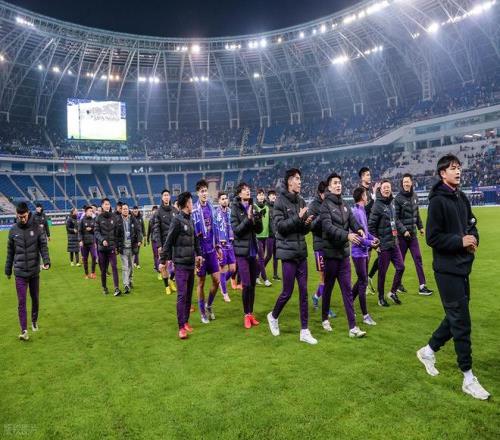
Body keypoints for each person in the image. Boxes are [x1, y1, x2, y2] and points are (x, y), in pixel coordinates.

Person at [417, 154, 490, 400]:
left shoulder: (461, 197)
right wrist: (460, 241)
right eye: (453, 168)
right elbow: (432, 237)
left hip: (462, 267)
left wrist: (473, 238)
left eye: (459, 167)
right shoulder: (437, 202)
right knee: (461, 322)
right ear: (442, 173)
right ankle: (468, 378)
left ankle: (428, 351)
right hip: (446, 270)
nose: (458, 171)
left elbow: (471, 224)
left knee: (455, 316)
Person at [267, 168, 317, 345]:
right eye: (297, 178)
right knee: (287, 292)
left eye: (300, 178)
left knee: (304, 292)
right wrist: (298, 217)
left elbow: (302, 230)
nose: (300, 181)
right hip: (288, 254)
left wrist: (307, 224)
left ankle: (304, 330)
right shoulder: (279, 202)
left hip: (301, 253)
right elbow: (280, 228)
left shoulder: (301, 200)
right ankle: (273, 316)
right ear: (289, 181)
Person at [320, 173, 366, 338]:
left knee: (347, 290)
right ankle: (324, 318)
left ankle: (353, 328)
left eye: (339, 182)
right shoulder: (325, 205)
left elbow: (352, 221)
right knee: (328, 288)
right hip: (331, 255)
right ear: (329, 186)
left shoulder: (345, 204)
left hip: (344, 255)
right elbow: (328, 227)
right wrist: (347, 235)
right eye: (335, 183)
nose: (338, 185)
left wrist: (359, 229)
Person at [159, 192, 202, 339]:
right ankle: (180, 327)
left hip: (190, 263)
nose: (192, 204)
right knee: (182, 295)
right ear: (186, 204)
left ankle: (186, 322)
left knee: (189, 295)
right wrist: (162, 261)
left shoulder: (190, 220)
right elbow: (168, 241)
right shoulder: (177, 220)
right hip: (180, 264)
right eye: (190, 202)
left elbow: (195, 240)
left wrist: (199, 254)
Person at [5, 202, 50, 341]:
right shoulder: (13, 230)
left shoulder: (37, 227)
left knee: (35, 298)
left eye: (24, 216)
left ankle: (34, 321)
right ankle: (24, 330)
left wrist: (46, 261)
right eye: (20, 217)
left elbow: (43, 246)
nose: (22, 219)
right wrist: (8, 269)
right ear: (16, 215)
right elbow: (10, 252)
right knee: (21, 301)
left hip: (34, 271)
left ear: (28, 213)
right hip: (19, 272)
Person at [368, 180, 407, 307]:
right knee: (382, 273)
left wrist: (404, 230)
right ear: (380, 190)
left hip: (394, 243)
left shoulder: (392, 203)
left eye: (388, 187)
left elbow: (395, 220)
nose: (386, 189)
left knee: (401, 267)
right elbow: (371, 227)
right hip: (383, 246)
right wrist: (376, 244)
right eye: (384, 187)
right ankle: (380, 298)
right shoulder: (377, 205)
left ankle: (392, 292)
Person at [231, 182, 263, 328]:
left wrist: (257, 219)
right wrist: (248, 218)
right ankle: (246, 315)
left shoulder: (253, 206)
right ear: (239, 194)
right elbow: (237, 230)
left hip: (252, 251)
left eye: (248, 189)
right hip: (241, 253)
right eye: (244, 190)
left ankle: (251, 314)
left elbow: (258, 230)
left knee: (253, 286)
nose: (247, 191)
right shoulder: (235, 209)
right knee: (247, 284)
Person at [395, 174, 433, 295]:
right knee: (400, 263)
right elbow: (395, 218)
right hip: (402, 237)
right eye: (404, 182)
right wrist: (403, 231)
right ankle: (397, 285)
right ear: (402, 184)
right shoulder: (398, 199)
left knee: (418, 258)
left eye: (408, 182)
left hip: (413, 236)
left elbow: (416, 214)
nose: (406, 184)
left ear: (411, 183)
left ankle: (422, 286)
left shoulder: (415, 196)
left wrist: (420, 227)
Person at [192, 179, 222, 324]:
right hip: (201, 253)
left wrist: (218, 247)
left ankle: (208, 305)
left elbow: (215, 229)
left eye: (206, 191)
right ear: (197, 193)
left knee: (217, 280)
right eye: (202, 191)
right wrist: (196, 255)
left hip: (211, 250)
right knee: (201, 283)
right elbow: (193, 235)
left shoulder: (211, 208)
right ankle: (202, 313)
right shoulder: (194, 210)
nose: (205, 193)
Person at [351, 187, 379, 326]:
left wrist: (373, 238)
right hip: (358, 253)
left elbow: (365, 233)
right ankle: (365, 315)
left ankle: (349, 303)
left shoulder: (361, 210)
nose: (367, 197)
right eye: (366, 195)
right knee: (363, 282)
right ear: (362, 196)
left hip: (364, 251)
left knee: (361, 280)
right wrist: (370, 243)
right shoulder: (356, 212)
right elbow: (357, 236)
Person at [309, 181, 336, 318]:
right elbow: (312, 227)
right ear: (321, 193)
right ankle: (326, 309)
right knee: (324, 278)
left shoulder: (330, 203)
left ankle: (315, 296)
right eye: (327, 192)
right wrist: (322, 216)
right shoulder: (314, 206)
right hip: (320, 245)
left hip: (330, 245)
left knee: (330, 277)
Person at [359, 167, 380, 294]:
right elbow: (363, 210)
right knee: (367, 258)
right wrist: (373, 198)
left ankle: (369, 278)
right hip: (366, 229)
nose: (369, 176)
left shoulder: (369, 191)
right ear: (362, 177)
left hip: (374, 227)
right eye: (367, 175)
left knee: (382, 253)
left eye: (369, 174)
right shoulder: (360, 191)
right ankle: (365, 284)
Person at [153, 190, 178, 294]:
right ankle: (166, 286)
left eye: (168, 195)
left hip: (175, 243)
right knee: (163, 265)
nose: (166, 197)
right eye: (165, 195)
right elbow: (156, 229)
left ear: (170, 197)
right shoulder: (158, 212)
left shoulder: (175, 210)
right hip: (164, 243)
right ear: (162, 197)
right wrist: (159, 245)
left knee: (177, 264)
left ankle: (171, 280)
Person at [95, 198, 121, 296]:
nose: (107, 206)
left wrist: (117, 246)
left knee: (114, 267)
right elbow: (96, 232)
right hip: (102, 249)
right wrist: (102, 240)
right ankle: (104, 287)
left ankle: (116, 288)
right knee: (103, 269)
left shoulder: (114, 217)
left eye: (108, 204)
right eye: (105, 204)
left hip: (111, 248)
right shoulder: (98, 218)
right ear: (102, 206)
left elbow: (117, 233)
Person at [116, 203, 143, 294]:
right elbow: (116, 235)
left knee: (131, 267)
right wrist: (116, 246)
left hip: (132, 247)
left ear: (128, 210)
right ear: (121, 210)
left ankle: (130, 280)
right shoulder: (118, 220)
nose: (125, 210)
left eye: (126, 209)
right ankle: (126, 285)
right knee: (125, 267)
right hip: (123, 248)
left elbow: (138, 230)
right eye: (123, 209)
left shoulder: (133, 219)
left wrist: (139, 240)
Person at [215, 191, 236, 302]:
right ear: (219, 201)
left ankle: (221, 283)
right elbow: (214, 230)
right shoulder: (215, 213)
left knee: (233, 269)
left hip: (230, 244)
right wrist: (216, 246)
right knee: (222, 270)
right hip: (221, 245)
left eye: (226, 198)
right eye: (222, 199)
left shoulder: (231, 212)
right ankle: (225, 293)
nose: (225, 200)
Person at [255, 189, 272, 287]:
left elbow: (269, 222)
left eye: (262, 195)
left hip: (265, 236)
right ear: (257, 196)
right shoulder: (254, 207)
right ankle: (265, 279)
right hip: (257, 236)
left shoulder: (267, 207)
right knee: (261, 258)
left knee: (261, 258)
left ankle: (256, 276)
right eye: (259, 195)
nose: (261, 196)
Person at [79, 205, 97, 279]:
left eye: (92, 211)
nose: (91, 212)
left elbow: (96, 231)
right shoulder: (82, 220)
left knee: (94, 256)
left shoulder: (93, 220)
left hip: (92, 242)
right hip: (84, 243)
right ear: (86, 212)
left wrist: (91, 229)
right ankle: (86, 274)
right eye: (90, 211)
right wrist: (80, 240)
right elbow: (80, 231)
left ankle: (93, 272)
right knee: (85, 259)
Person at [267, 190, 280, 280]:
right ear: (268, 197)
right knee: (269, 255)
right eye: (272, 195)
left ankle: (275, 275)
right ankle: (257, 273)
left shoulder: (276, 207)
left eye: (274, 195)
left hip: (277, 235)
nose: (274, 196)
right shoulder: (266, 207)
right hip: (269, 235)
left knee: (276, 256)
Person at [147, 205, 159, 272]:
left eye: (156, 210)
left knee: (158, 254)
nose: (154, 212)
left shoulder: (160, 218)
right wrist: (148, 238)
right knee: (155, 254)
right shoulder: (151, 219)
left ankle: (158, 266)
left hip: (159, 239)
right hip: (154, 239)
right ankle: (156, 266)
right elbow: (149, 230)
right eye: (154, 210)